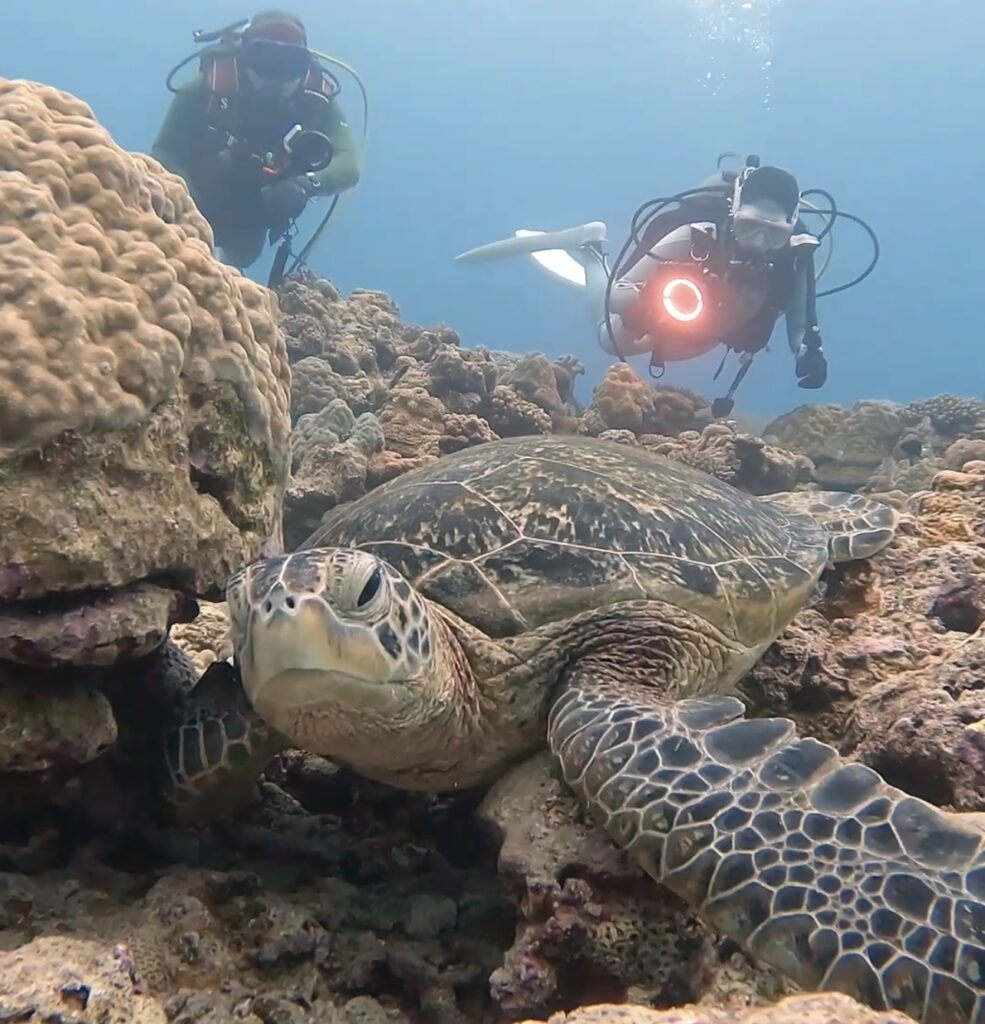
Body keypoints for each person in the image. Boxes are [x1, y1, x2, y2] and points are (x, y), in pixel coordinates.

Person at [455, 155, 876, 416]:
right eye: (751, 227)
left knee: (675, 345)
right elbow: (618, 290)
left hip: (708, 334)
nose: (760, 242)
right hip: (663, 315)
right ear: (734, 213)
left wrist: (808, 353)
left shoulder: (794, 258)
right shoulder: (695, 235)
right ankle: (592, 249)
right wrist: (643, 309)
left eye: (774, 233)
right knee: (610, 337)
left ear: (791, 229)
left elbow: (801, 324)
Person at [152, 9, 361, 270]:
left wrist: (305, 185)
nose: (277, 75)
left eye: (290, 63)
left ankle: (223, 274)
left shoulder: (316, 101)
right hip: (199, 197)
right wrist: (184, 202)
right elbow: (164, 151)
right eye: (265, 58)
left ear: (305, 64)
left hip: (259, 209)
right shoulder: (208, 89)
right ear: (244, 55)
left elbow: (348, 164)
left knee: (244, 253)